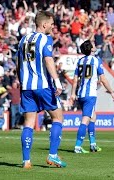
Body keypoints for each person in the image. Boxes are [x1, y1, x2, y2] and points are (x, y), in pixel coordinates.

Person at [17, 11, 66, 168]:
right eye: (51, 23)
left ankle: (26, 161)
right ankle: (53, 155)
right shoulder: (45, 38)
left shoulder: (22, 40)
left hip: (26, 87)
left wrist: (22, 82)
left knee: (29, 123)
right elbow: (48, 59)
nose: (53, 26)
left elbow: (18, 65)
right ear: (44, 24)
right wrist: (57, 82)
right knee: (57, 117)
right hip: (43, 85)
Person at [70, 40, 114, 153]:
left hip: (81, 94)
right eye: (93, 45)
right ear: (91, 49)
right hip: (90, 94)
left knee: (93, 117)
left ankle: (93, 144)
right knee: (85, 119)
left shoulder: (80, 61)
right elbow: (103, 79)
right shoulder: (96, 60)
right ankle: (78, 146)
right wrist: (111, 92)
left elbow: (75, 79)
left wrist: (72, 93)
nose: (95, 46)